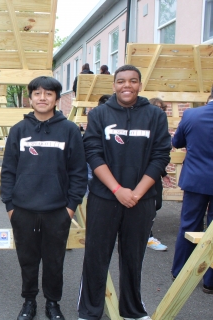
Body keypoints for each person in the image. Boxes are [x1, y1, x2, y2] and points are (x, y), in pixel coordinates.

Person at [78, 65, 171, 320]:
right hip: (105, 197)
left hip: (141, 200)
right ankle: (89, 311)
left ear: (140, 85)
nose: (126, 86)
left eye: (132, 81)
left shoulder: (155, 115)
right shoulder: (99, 114)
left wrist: (137, 194)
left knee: (133, 257)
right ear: (114, 85)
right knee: (96, 256)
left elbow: (161, 156)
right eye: (121, 81)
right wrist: (118, 189)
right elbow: (93, 153)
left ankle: (132, 310)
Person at [0, 76, 87, 320]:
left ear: (57, 99)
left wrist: (69, 208)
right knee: (27, 260)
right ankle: (29, 302)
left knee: (54, 261)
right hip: (23, 210)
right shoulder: (19, 130)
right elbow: (8, 171)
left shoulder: (69, 130)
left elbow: (78, 172)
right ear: (30, 99)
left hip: (57, 211)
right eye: (37, 93)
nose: (42, 98)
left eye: (48, 94)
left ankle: (52, 303)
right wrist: (10, 206)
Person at [170, 91, 213, 294]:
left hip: (196, 179)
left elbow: (177, 142)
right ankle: (210, 281)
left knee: (189, 224)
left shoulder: (191, 115)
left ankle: (180, 272)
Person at [146, 97, 172, 251]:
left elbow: (159, 154)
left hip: (154, 173)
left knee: (156, 204)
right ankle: (147, 237)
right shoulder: (145, 126)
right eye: (157, 109)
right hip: (142, 173)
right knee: (148, 205)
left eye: (162, 109)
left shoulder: (160, 127)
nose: (160, 112)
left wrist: (163, 173)